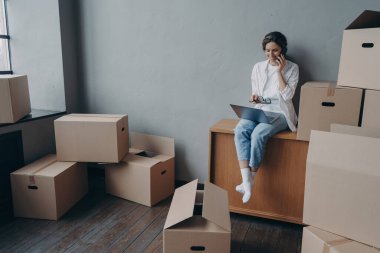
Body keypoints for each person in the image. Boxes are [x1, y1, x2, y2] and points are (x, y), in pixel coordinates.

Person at [234, 31, 299, 204]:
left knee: (258, 134)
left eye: (275, 50)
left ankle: (250, 181)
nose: (271, 55)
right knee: (240, 129)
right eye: (267, 50)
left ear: (282, 50)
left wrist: (279, 71)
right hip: (261, 108)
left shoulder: (292, 68)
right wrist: (254, 98)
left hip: (280, 112)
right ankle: (246, 179)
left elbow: (287, 96)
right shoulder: (257, 67)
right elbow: (257, 94)